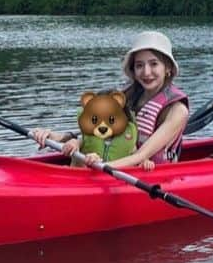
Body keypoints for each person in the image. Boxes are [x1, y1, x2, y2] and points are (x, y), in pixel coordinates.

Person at [31, 31, 189, 171]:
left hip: (150, 174)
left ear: (167, 67)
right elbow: (98, 128)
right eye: (139, 65)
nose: (146, 72)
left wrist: (97, 166)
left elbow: (141, 155)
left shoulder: (177, 110)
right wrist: (59, 137)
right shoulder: (127, 95)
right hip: (109, 164)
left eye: (154, 64)